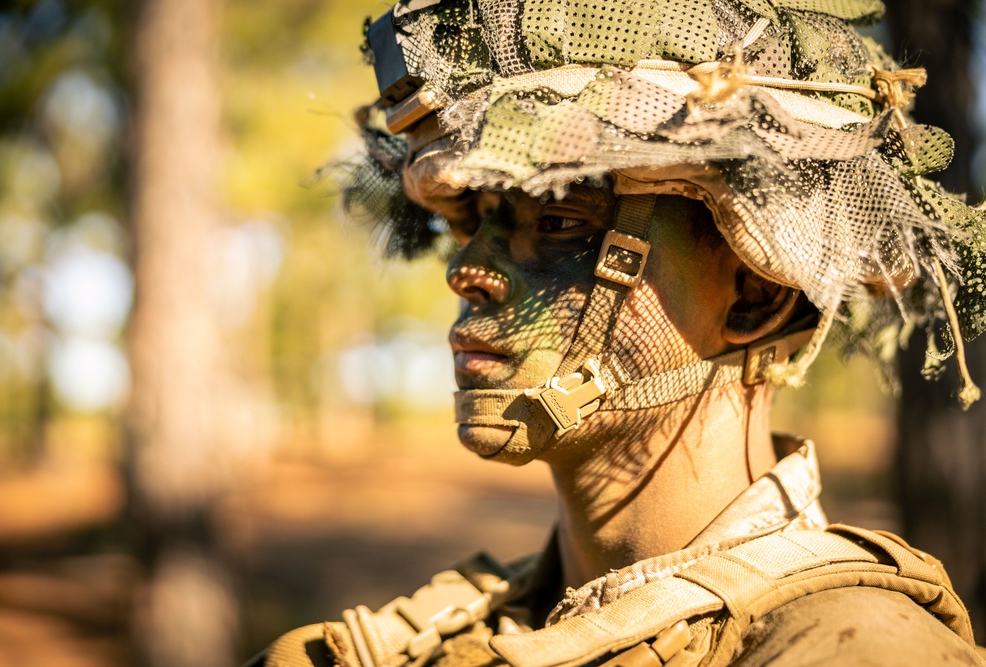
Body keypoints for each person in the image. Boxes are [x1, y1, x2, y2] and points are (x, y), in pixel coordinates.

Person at [248, 0, 986, 664]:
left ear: (756, 295)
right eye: (470, 223)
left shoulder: (856, 646)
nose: (466, 272)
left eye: (561, 224)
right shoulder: (436, 639)